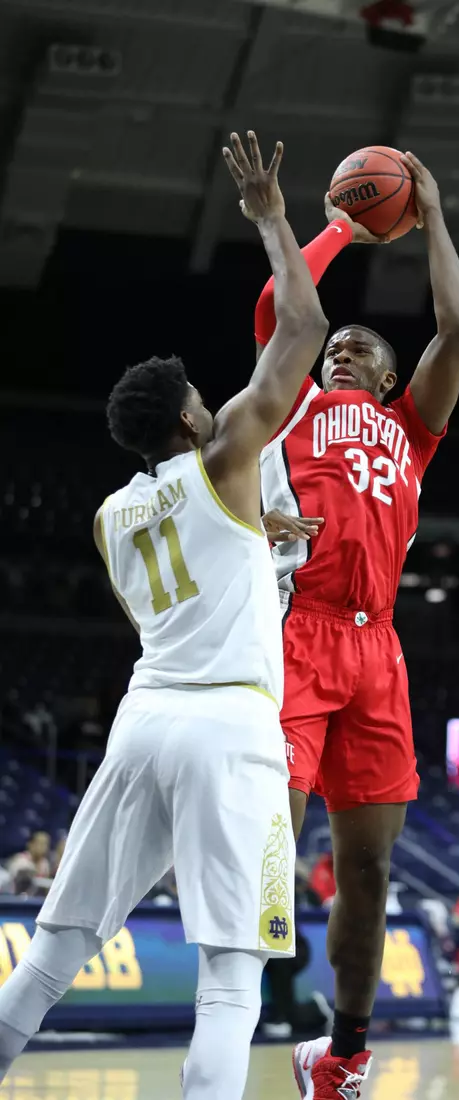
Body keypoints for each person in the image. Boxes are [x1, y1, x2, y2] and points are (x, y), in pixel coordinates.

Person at [0, 130, 329, 1100]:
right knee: (231, 981)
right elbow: (300, 332)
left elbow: (186, 576)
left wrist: (252, 533)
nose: (208, 397)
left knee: (54, 953)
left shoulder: (110, 515)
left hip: (143, 720)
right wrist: (272, 219)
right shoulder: (225, 454)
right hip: (230, 724)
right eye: (198, 394)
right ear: (190, 419)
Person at [250, 152, 459, 1098]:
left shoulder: (411, 427)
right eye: (333, 344)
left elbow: (456, 328)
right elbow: (281, 305)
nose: (340, 349)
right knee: (272, 851)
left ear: (389, 380)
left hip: (377, 648)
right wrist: (343, 224)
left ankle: (339, 1054)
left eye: (359, 348)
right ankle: (228, 1016)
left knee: (370, 868)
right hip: (297, 633)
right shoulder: (296, 396)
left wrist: (428, 212)